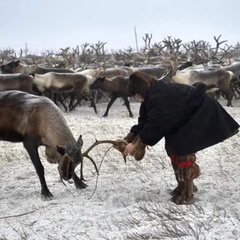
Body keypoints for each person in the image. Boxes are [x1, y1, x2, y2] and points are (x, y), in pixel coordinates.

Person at [121, 71, 239, 205]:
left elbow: (156, 124)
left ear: (140, 88)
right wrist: (128, 139)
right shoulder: (150, 96)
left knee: (182, 149)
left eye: (135, 92)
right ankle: (182, 186)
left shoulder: (158, 96)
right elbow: (145, 121)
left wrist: (136, 144)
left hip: (201, 113)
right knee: (172, 148)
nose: (136, 96)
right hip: (183, 118)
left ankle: (187, 193)